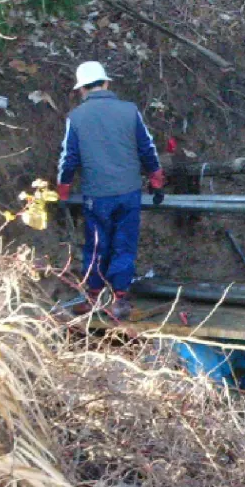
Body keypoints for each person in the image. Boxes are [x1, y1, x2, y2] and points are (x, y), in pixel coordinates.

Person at [57, 61, 166, 320]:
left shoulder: (76, 118)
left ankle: (93, 297)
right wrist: (156, 180)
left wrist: (63, 190)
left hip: (97, 195)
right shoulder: (129, 111)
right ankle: (119, 300)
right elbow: (146, 148)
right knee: (124, 244)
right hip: (128, 192)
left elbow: (68, 158)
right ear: (106, 83)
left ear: (82, 89)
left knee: (96, 245)